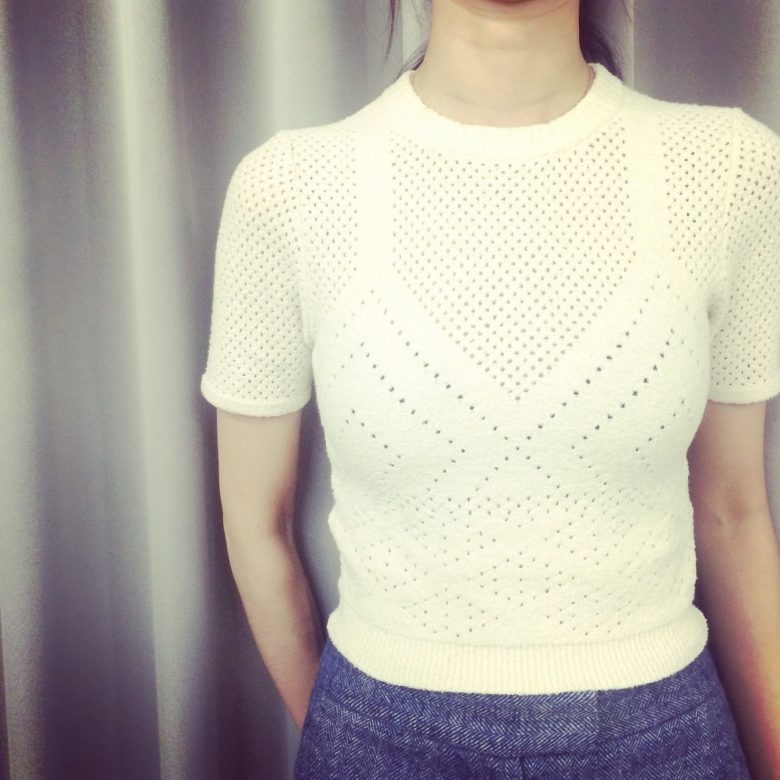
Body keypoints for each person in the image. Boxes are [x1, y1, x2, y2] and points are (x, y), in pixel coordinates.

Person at [200, 0, 780, 777]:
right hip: (376, 728)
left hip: (665, 736)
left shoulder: (731, 169)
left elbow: (734, 510)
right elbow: (253, 520)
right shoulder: (288, 187)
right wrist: (346, 741)